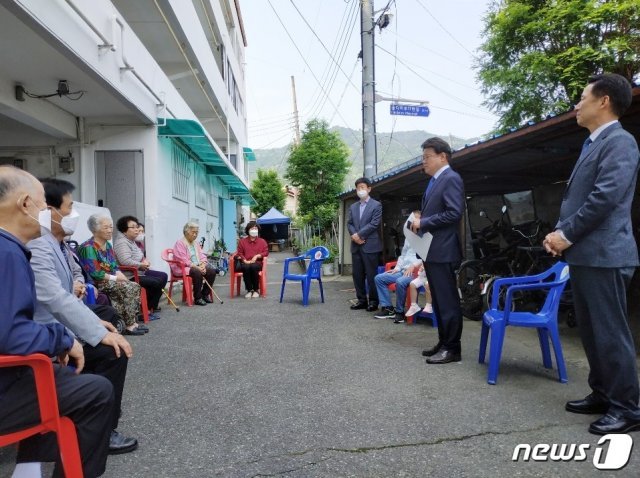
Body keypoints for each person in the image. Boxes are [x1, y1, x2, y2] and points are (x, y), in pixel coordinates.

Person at [0, 165, 114, 478]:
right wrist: (62, 339)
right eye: (41, 205)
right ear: (25, 204)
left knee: (57, 376)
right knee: (96, 392)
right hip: (6, 384)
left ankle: (28, 470)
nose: (46, 213)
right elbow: (10, 334)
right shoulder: (8, 251)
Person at [543, 73, 640, 435]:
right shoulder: (593, 143)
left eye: (583, 98)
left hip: (606, 253)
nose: (577, 105)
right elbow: (577, 198)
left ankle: (628, 407)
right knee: (591, 330)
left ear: (604, 101)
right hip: (587, 253)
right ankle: (603, 393)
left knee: (610, 332)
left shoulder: (621, 141)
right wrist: (558, 235)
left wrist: (565, 234)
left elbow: (605, 197)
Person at [28, 178, 138, 455]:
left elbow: (71, 282)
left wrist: (92, 322)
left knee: (105, 320)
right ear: (47, 210)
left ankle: (92, 421)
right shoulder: (38, 244)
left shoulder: (56, 242)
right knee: (112, 352)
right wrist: (96, 332)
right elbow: (53, 297)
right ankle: (101, 430)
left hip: (58, 323)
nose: (72, 215)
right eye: (68, 208)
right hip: (45, 332)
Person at [411, 137, 465, 364]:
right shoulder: (434, 181)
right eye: (423, 158)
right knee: (440, 301)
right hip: (432, 250)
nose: (424, 162)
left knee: (448, 300)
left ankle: (452, 348)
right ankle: (444, 342)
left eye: (427, 157)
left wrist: (424, 222)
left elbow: (454, 213)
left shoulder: (451, 178)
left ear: (442, 157)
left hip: (443, 250)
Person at [78, 214, 146, 336]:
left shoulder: (108, 245)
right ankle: (129, 325)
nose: (110, 230)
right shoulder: (88, 247)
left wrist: (122, 277)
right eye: (106, 228)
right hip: (97, 283)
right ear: (95, 229)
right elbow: (95, 273)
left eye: (110, 227)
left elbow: (114, 266)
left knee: (132, 285)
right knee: (129, 287)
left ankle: (127, 322)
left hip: (109, 280)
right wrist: (116, 278)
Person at [114, 215, 168, 317]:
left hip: (139, 271)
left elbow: (139, 256)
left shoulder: (131, 241)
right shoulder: (122, 242)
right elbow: (125, 261)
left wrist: (145, 261)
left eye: (137, 227)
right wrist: (141, 265)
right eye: (133, 227)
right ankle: (144, 309)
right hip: (130, 275)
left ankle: (151, 306)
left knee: (163, 276)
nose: (137, 229)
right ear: (124, 230)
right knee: (155, 282)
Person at [347, 177, 383, 311]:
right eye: (358, 188)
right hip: (356, 246)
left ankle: (373, 301)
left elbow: (374, 224)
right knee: (357, 275)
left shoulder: (376, 205)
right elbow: (349, 223)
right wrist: (354, 236)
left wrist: (359, 235)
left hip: (370, 245)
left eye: (363, 187)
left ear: (369, 189)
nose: (360, 190)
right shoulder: (353, 206)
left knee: (371, 274)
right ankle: (361, 300)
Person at [373, 239, 422, 322]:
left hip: (415, 273)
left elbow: (426, 257)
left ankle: (400, 312)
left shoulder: (426, 238)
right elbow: (402, 256)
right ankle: (388, 309)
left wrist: (414, 266)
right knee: (379, 278)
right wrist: (397, 268)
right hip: (402, 271)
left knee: (400, 281)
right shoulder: (409, 238)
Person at [172, 221, 217, 306]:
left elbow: (202, 255)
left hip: (197, 266)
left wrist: (203, 265)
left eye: (197, 233)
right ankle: (198, 298)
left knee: (211, 271)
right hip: (183, 267)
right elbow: (183, 260)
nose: (195, 235)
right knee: (196, 272)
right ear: (186, 232)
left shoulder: (196, 243)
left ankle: (204, 295)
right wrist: (198, 268)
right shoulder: (180, 243)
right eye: (193, 232)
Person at [235, 221, 269, 298]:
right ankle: (249, 290)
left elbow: (266, 252)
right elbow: (239, 253)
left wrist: (257, 256)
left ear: (258, 230)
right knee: (246, 267)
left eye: (255, 228)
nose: (254, 230)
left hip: (257, 263)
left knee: (253, 267)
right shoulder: (242, 242)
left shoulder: (262, 241)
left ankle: (256, 289)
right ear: (248, 230)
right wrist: (244, 260)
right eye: (252, 228)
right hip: (246, 262)